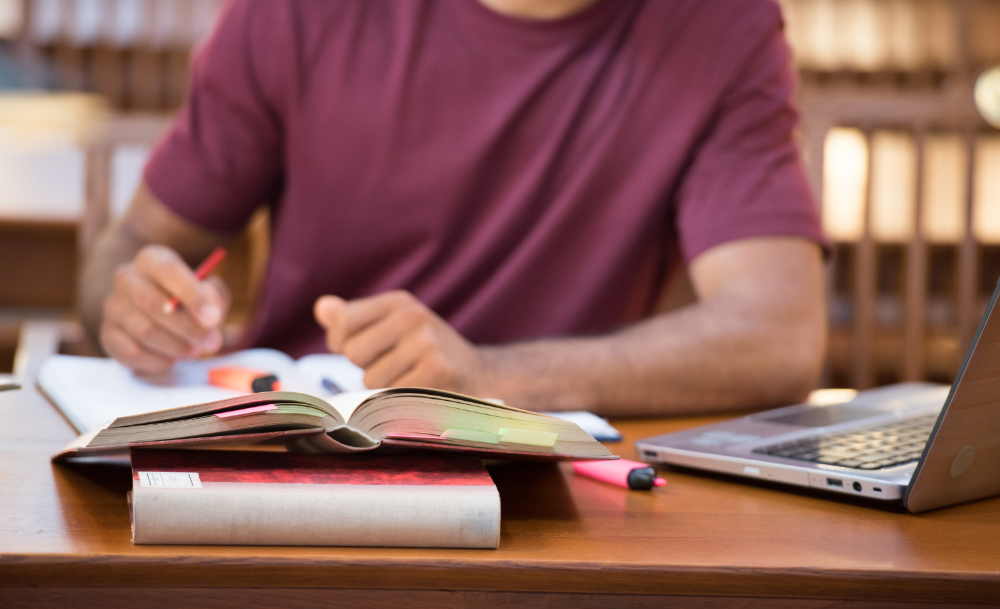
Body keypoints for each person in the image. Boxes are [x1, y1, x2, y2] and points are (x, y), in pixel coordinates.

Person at [79, 0, 827, 416]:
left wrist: (491, 375)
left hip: (560, 489)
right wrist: (134, 306)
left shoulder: (721, 26)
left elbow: (777, 334)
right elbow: (135, 241)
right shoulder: (295, 12)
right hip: (297, 453)